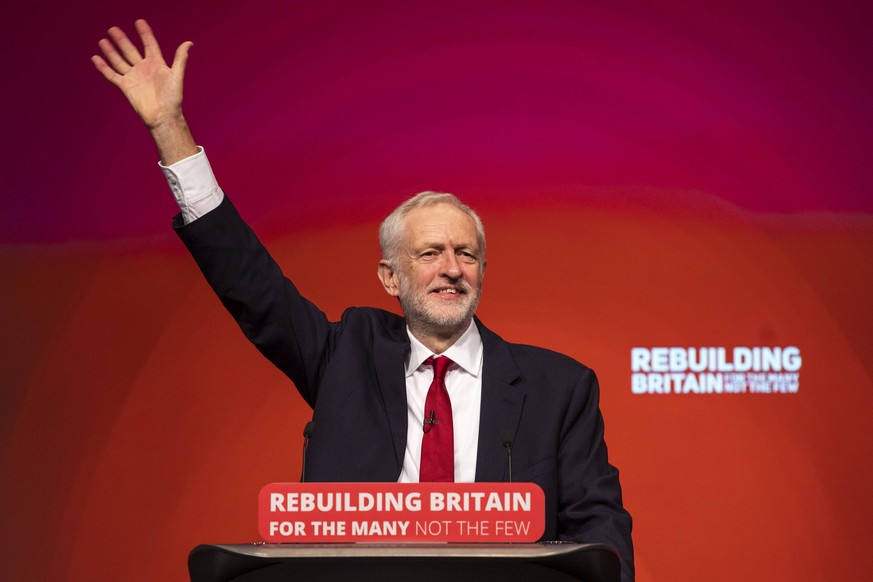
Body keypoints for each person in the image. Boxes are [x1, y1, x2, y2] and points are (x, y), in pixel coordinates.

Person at [93, 20, 634, 581]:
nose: (452, 268)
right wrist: (171, 128)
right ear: (389, 278)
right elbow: (248, 282)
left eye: (466, 254)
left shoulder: (560, 388)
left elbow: (602, 530)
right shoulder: (343, 356)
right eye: (430, 253)